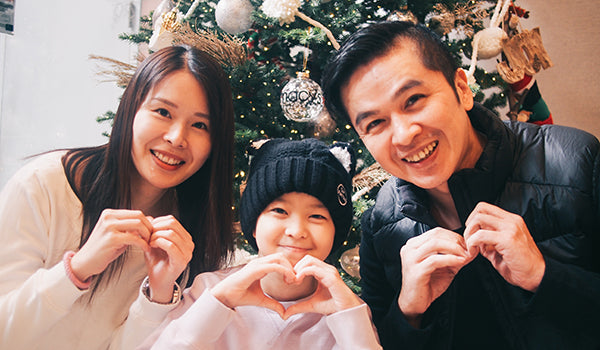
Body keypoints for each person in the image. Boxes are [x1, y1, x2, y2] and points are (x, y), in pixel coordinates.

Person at [321, 20, 600, 349]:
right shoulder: (381, 222)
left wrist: (544, 275)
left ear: (462, 90)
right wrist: (408, 312)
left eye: (414, 100)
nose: (404, 135)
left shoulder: (579, 163)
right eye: (375, 123)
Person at [0, 45, 236, 349]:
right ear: (131, 109)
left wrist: (158, 294)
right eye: (163, 112)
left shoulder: (189, 236)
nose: (177, 137)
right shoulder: (44, 185)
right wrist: (77, 270)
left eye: (200, 125)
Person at [132, 138, 382, 349]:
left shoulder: (347, 308)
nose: (296, 231)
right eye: (280, 211)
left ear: (336, 233)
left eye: (317, 216)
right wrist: (218, 303)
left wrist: (351, 319)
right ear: (253, 224)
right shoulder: (210, 288)